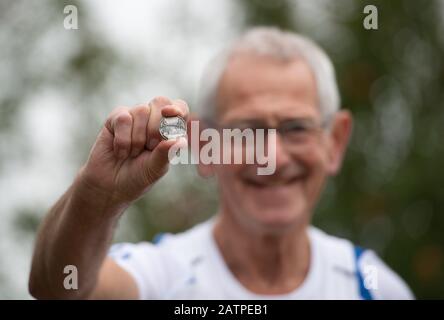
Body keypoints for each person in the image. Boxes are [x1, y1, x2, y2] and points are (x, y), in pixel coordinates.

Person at [28, 27, 413, 299]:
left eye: (296, 128)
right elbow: (59, 289)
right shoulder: (162, 277)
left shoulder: (375, 288)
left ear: (335, 140)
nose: (273, 158)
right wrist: (98, 196)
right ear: (201, 143)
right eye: (247, 130)